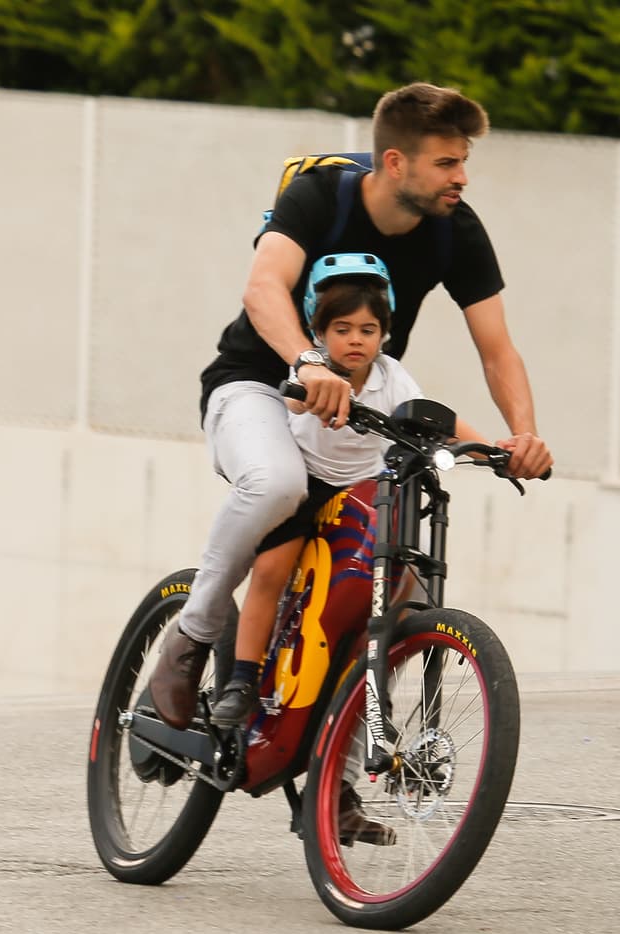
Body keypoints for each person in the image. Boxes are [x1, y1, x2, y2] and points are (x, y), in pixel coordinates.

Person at [148, 81, 553, 737]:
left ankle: (346, 747)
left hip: (360, 410)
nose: (463, 177)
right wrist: (307, 362)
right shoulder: (320, 197)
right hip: (256, 385)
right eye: (448, 162)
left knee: (396, 572)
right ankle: (191, 639)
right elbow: (263, 287)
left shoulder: (456, 230)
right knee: (276, 484)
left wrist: (522, 436)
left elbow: (498, 349)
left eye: (463, 161)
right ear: (396, 163)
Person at [206, 253, 486, 732]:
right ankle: (240, 679)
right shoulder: (312, 375)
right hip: (308, 487)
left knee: (391, 585)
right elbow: (294, 397)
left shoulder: (391, 377)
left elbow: (435, 416)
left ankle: (372, 689)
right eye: (342, 328)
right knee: (271, 570)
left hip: (363, 494)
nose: (356, 339)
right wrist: (307, 394)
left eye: (368, 329)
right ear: (319, 332)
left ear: (384, 334)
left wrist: (489, 449)